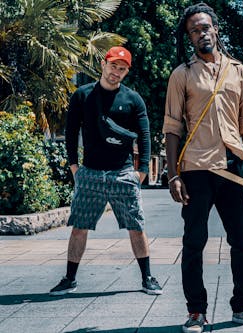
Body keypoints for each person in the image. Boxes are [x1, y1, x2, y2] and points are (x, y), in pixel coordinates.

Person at [163, 3, 243, 332]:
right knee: (194, 242)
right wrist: (172, 174)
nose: (202, 33)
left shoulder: (239, 71)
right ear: (190, 38)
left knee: (242, 242)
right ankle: (196, 311)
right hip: (196, 168)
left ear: (216, 30)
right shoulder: (182, 74)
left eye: (205, 27)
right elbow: (172, 127)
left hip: (234, 167)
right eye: (194, 31)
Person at [49, 46, 162, 296]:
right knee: (80, 226)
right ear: (103, 64)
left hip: (122, 173)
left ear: (126, 72)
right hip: (89, 172)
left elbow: (144, 137)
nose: (116, 72)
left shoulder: (133, 99)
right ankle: (70, 278)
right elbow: (70, 132)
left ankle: (148, 278)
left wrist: (141, 172)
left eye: (122, 69)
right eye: (113, 66)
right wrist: (74, 167)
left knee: (136, 226)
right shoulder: (82, 95)